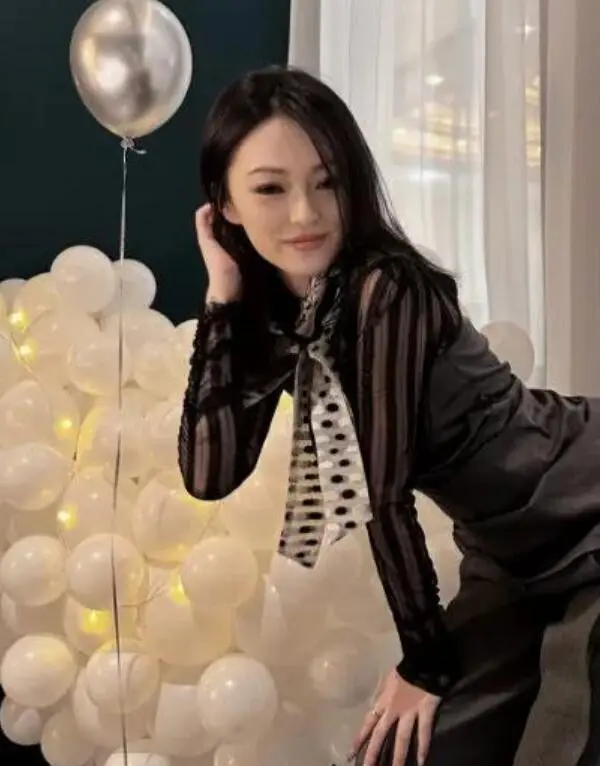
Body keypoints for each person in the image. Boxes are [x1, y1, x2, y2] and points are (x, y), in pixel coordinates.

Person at [177, 66, 600, 766]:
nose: (306, 214)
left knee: (564, 741)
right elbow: (209, 473)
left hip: (585, 507)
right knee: (401, 755)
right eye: (271, 189)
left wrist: (425, 665)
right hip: (508, 557)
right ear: (225, 203)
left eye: (327, 181)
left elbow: (384, 492)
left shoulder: (387, 288)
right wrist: (222, 299)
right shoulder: (279, 316)